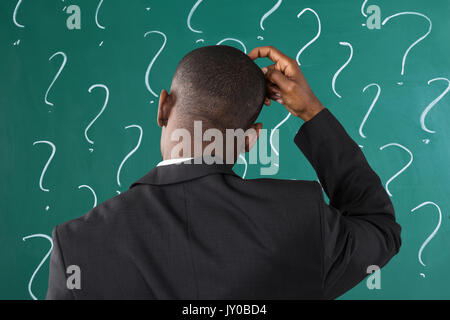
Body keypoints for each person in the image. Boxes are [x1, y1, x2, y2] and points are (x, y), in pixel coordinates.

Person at [46, 45, 401, 299]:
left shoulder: (76, 244)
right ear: (251, 140)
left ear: (163, 107)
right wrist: (311, 112)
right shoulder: (302, 222)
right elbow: (379, 227)